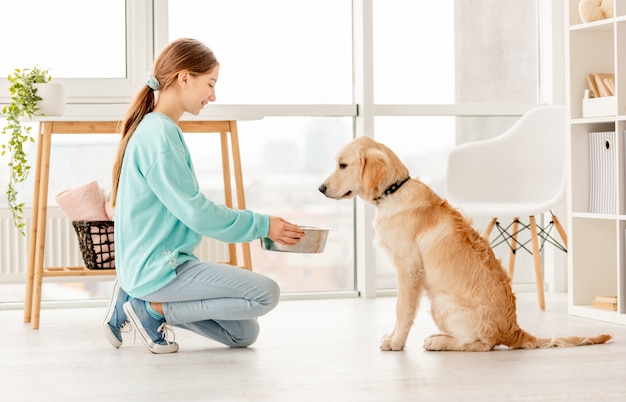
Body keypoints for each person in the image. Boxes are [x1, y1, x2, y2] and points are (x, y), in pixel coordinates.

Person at [102, 38, 305, 354]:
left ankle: (137, 299)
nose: (213, 95)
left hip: (157, 264)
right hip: (159, 268)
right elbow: (197, 213)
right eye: (210, 83)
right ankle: (150, 309)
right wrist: (263, 225)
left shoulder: (157, 129)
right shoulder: (160, 135)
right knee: (265, 295)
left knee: (243, 335)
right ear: (185, 78)